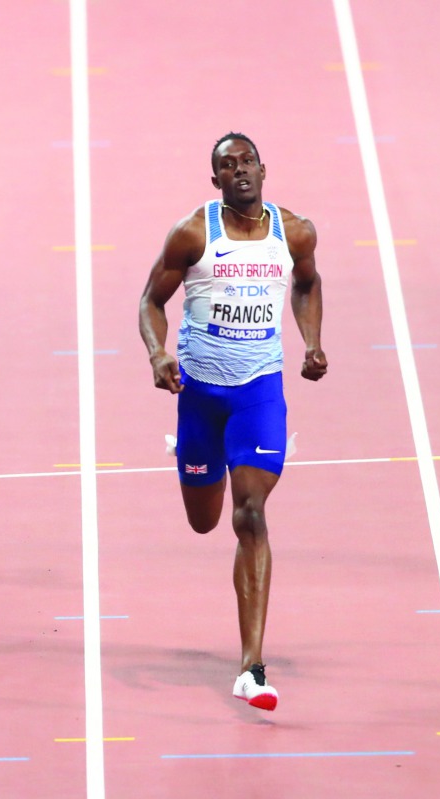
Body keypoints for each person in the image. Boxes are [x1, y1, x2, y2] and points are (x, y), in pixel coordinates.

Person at [139, 133, 327, 710]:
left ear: (263, 169)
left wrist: (312, 342)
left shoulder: (294, 231)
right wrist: (157, 354)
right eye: (227, 165)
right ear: (215, 178)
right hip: (199, 395)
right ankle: (197, 455)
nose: (239, 171)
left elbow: (307, 283)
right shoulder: (193, 233)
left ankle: (252, 667)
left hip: (259, 393)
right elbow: (150, 300)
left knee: (250, 515)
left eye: (246, 161)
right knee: (203, 520)